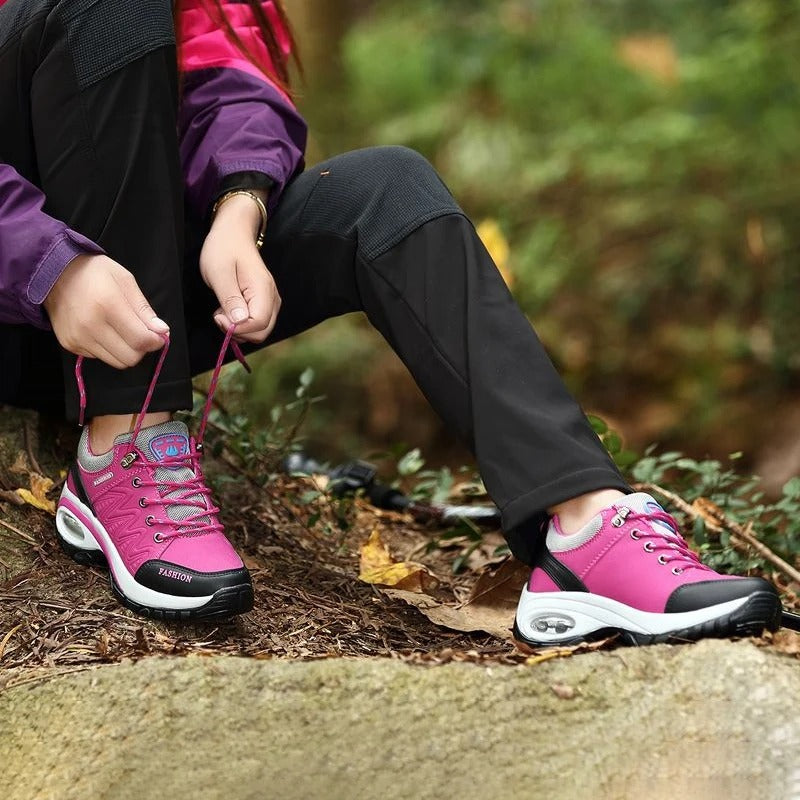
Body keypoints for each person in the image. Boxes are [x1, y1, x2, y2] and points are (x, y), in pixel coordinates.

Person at [0, 0, 782, 645]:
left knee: (386, 188)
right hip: (22, 299)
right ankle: (126, 441)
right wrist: (48, 264)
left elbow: (221, 75)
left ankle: (582, 526)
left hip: (136, 301)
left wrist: (241, 205)